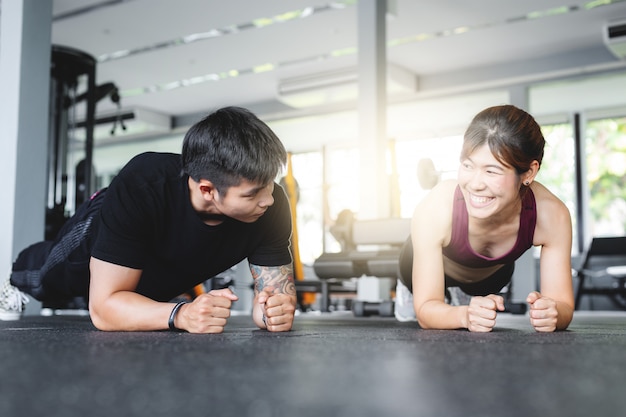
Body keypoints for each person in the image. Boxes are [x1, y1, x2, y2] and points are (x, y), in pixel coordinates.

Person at [4, 106, 297, 333]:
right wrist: (181, 314)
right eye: (253, 194)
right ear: (207, 189)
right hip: (106, 226)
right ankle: (13, 280)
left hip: (160, 269)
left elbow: (272, 298)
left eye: (270, 184)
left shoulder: (272, 205)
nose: (268, 199)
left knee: (146, 294)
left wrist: (274, 312)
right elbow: (104, 311)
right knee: (51, 280)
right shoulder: (142, 185)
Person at [395, 104, 574, 332]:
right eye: (468, 165)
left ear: (529, 173)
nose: (475, 184)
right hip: (423, 264)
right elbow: (426, 312)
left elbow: (564, 306)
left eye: (492, 171)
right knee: (429, 299)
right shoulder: (436, 206)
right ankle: (414, 287)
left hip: (491, 277)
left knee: (490, 283)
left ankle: (459, 296)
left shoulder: (551, 214)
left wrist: (553, 313)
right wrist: (463, 316)